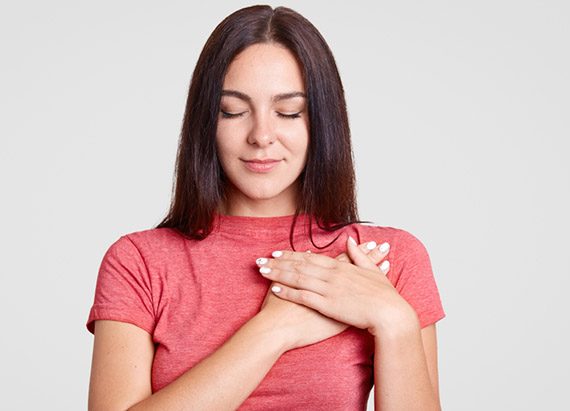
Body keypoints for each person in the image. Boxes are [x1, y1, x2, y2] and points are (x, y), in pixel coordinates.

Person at [86, 5, 445, 410]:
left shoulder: (383, 262)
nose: (261, 135)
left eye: (288, 112)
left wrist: (394, 321)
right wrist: (275, 328)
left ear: (321, 121)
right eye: (233, 111)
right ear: (206, 121)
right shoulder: (139, 261)